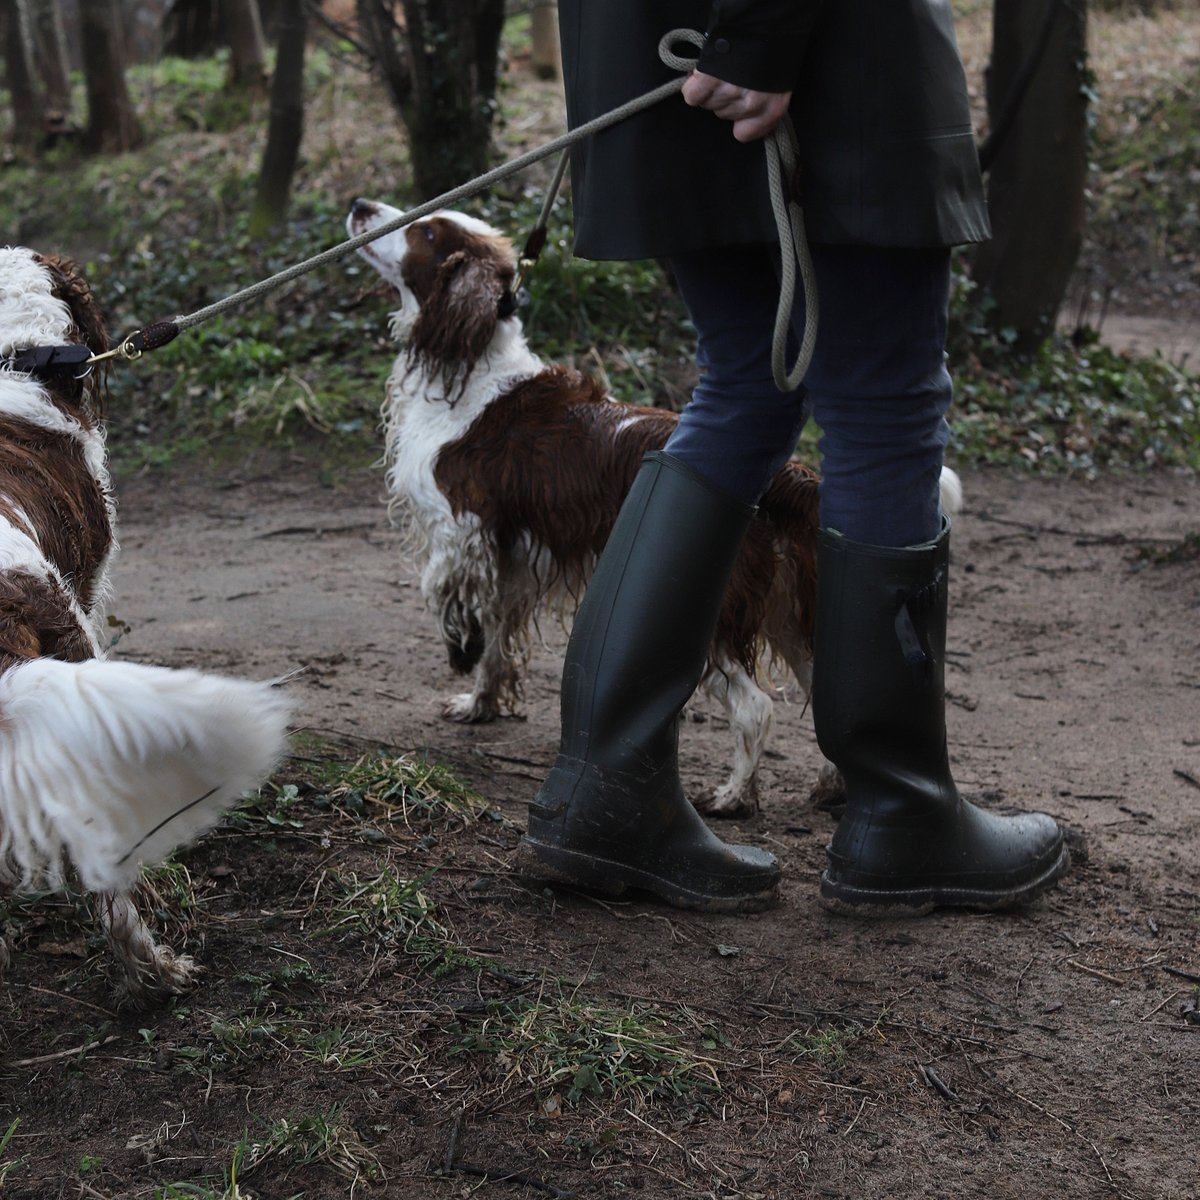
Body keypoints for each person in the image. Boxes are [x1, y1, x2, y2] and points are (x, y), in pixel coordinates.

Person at [518, 0, 1070, 914]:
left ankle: (602, 791)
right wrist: (762, 36)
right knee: (882, 405)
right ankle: (901, 815)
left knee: (746, 386)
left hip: (660, 52)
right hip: (809, 65)